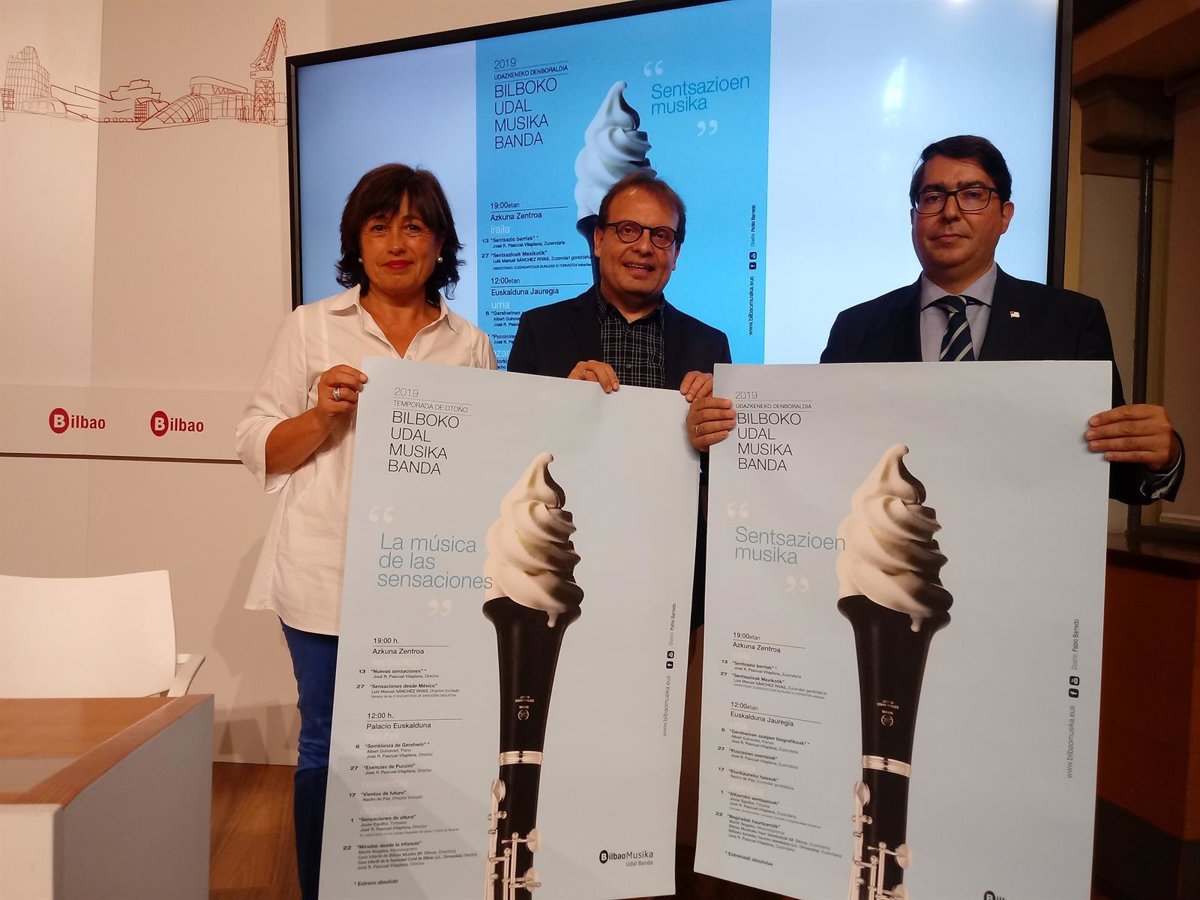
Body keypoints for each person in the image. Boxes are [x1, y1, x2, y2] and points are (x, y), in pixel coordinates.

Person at [235, 164, 496, 899]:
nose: (397, 243)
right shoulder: (311, 326)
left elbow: (483, 463)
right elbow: (255, 445)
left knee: (419, 744)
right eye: (379, 226)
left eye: (414, 226)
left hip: (427, 581)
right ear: (357, 240)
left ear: (440, 244)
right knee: (326, 744)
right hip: (326, 573)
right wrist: (321, 415)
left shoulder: (469, 344)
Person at [690, 135, 1184, 504]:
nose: (950, 212)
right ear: (914, 218)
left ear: (1005, 214)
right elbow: (817, 456)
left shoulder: (1070, 321)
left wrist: (1162, 456)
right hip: (891, 574)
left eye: (973, 194)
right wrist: (730, 433)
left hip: (1022, 581)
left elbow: (1112, 472)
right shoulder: (857, 328)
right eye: (933, 197)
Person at [507, 171, 731, 425]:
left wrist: (712, 434)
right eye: (628, 230)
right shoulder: (539, 329)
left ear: (675, 255)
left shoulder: (711, 345)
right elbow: (512, 434)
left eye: (661, 235)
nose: (644, 247)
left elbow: (721, 447)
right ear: (599, 241)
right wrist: (561, 402)